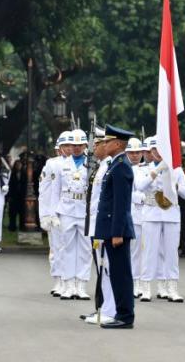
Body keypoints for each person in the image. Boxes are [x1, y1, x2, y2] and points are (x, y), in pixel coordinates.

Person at [136, 137, 185, 302]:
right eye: (154, 150)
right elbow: (140, 186)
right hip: (151, 213)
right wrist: (156, 171)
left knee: (171, 252)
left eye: (161, 150)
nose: (157, 153)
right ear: (150, 152)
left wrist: (175, 185)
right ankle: (145, 287)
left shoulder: (177, 170)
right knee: (150, 252)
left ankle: (171, 286)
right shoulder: (142, 169)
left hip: (171, 213)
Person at [94, 124, 136, 329]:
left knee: (121, 274)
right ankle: (122, 313)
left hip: (116, 231)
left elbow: (121, 204)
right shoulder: (115, 164)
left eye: (108, 141)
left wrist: (117, 232)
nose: (104, 144)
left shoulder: (121, 167)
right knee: (118, 273)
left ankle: (125, 316)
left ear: (118, 144)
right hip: (111, 228)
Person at [49, 129, 91, 300]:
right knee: (66, 248)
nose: (76, 148)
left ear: (85, 146)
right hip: (66, 209)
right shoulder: (61, 165)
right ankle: (67, 284)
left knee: (85, 249)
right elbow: (55, 190)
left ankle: (81, 284)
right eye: (73, 145)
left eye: (79, 145)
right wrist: (53, 214)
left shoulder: (91, 164)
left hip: (84, 210)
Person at [81, 127, 116, 324]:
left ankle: (109, 310)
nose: (93, 147)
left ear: (106, 145)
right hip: (95, 225)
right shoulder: (101, 166)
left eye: (97, 143)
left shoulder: (109, 166)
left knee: (107, 268)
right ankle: (103, 308)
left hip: (103, 225)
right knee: (101, 268)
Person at [38, 139, 64, 296]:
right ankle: (58, 280)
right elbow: (44, 191)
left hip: (72, 211)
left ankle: (69, 280)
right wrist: (44, 214)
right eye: (64, 146)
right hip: (54, 211)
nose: (67, 149)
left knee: (70, 249)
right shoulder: (51, 164)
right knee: (55, 248)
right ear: (58, 149)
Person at [125, 137, 145, 298]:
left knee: (138, 251)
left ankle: (137, 281)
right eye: (131, 152)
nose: (135, 155)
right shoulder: (121, 167)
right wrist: (137, 197)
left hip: (140, 216)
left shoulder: (146, 169)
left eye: (138, 152)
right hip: (125, 213)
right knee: (126, 251)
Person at [7, 156, 26, 232]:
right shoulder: (12, 174)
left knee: (22, 212)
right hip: (14, 196)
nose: (18, 166)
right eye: (17, 165)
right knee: (12, 213)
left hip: (21, 196)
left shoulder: (24, 174)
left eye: (20, 165)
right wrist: (9, 196)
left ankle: (22, 226)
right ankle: (12, 227)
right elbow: (10, 185)